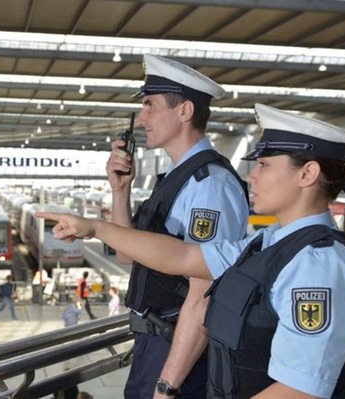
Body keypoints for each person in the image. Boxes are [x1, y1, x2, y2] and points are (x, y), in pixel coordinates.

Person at [38, 103, 345, 398]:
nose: (250, 177)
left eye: (264, 165)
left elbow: (299, 390)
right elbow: (182, 257)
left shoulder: (320, 264)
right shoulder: (266, 243)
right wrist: (95, 228)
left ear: (307, 173)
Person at [106, 54, 249, 398]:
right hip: (154, 342)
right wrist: (120, 191)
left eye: (149, 106)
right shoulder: (177, 179)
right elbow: (128, 255)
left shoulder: (209, 185)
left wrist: (167, 386)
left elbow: (203, 295)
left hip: (179, 353)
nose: (141, 119)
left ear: (184, 111)